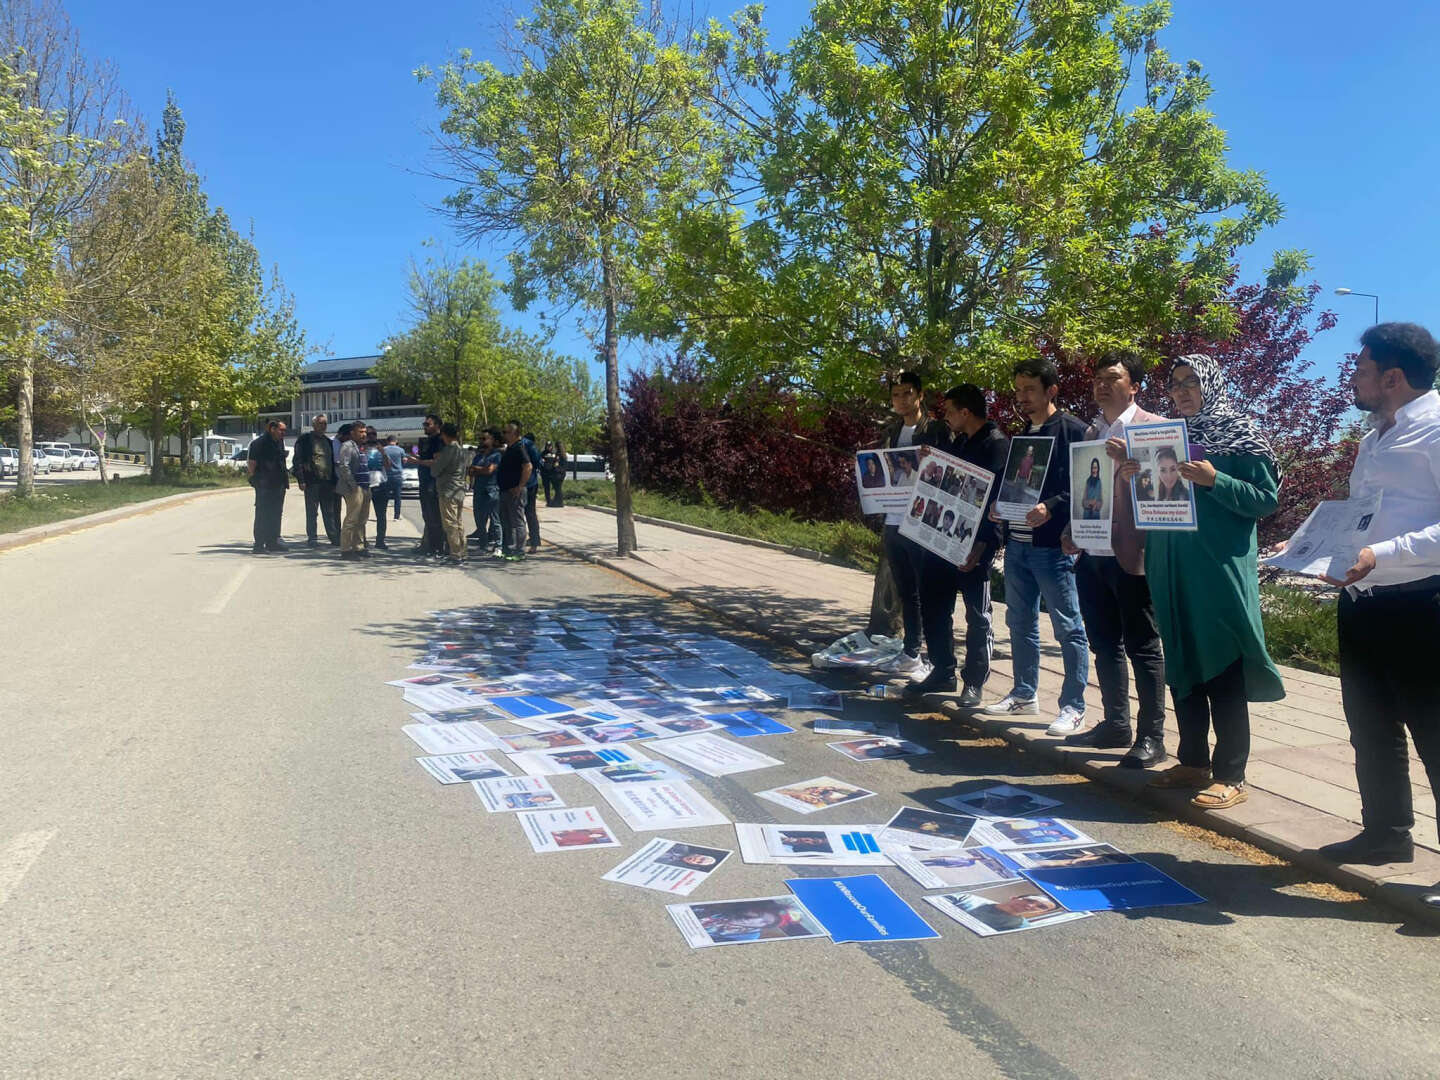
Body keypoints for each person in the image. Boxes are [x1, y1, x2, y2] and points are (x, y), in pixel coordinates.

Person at [1309, 324, 1440, 887]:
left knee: (1434, 733)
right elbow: (1361, 514)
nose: (1353, 377)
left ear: (1392, 376)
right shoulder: (1372, 438)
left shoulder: (1436, 430)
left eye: (1361, 368)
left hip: (1421, 603)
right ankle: (1386, 834)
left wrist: (1379, 553)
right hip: (1363, 601)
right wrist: (1314, 548)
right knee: (1371, 726)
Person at [1134, 353, 1284, 810]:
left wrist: (1216, 479)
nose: (1181, 390)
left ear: (1213, 383)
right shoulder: (1167, 438)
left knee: (1222, 664)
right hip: (1169, 565)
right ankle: (1192, 761)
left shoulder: (1241, 436)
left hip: (1217, 571)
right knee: (1182, 661)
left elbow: (1265, 500)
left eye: (1191, 381)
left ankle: (1231, 773)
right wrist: (1135, 475)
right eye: (1175, 383)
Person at [1060, 351, 1169, 768]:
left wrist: (1133, 468)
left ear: (1135, 385)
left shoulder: (1153, 428)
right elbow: (1086, 494)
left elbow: (1169, 495)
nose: (1102, 385)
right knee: (1104, 644)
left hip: (1134, 557)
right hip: (1093, 556)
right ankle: (1115, 723)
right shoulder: (1091, 431)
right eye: (1097, 379)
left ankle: (1151, 737)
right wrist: (1073, 529)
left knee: (1143, 647)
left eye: (1113, 378)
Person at [982, 358, 1091, 734]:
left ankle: (1074, 706)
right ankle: (1025, 693)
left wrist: (1053, 507)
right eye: (1017, 390)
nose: (1022, 397)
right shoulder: (1024, 434)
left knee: (1068, 627)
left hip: (1052, 548)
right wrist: (1000, 505)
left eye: (1030, 389)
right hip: (1017, 544)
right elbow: (1014, 485)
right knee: (1019, 621)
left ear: (1052, 390)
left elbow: (1086, 488)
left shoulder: (1075, 431)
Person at [906, 383, 1006, 705]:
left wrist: (983, 546)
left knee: (977, 615)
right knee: (934, 604)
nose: (945, 417)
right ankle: (942, 671)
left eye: (949, 411)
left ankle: (973, 682)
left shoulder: (997, 445)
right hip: (940, 542)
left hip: (973, 546)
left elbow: (1001, 503)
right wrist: (930, 461)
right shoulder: (959, 442)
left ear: (965, 412)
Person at [870, 371, 948, 675]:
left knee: (928, 590)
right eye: (896, 394)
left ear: (920, 395)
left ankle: (936, 657)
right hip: (894, 519)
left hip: (921, 521)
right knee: (906, 591)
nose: (901, 400)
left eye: (907, 393)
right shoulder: (892, 431)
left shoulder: (936, 430)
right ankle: (911, 650)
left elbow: (946, 471)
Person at [411, 423, 468, 564]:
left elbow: (435, 470)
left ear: (444, 435)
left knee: (450, 523)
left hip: (448, 490)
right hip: (459, 489)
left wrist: (437, 459)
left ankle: (455, 554)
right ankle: (462, 551)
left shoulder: (449, 450)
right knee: (458, 522)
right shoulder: (461, 450)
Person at [291, 414, 339, 548]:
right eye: (320, 423)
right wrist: (301, 480)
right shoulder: (305, 440)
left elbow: (333, 462)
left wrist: (334, 482)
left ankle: (334, 537)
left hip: (327, 481)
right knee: (312, 511)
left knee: (329, 512)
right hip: (312, 481)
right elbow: (298, 460)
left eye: (325, 423)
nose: (323, 426)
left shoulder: (328, 441)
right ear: (314, 425)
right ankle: (312, 538)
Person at [246, 420, 289, 554]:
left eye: (284, 431)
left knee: (276, 513)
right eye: (281, 430)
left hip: (279, 484)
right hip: (264, 484)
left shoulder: (279, 442)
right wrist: (255, 480)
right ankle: (259, 544)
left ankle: (273, 542)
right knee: (263, 514)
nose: (283, 433)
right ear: (272, 429)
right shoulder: (258, 444)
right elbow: (252, 464)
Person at [334, 422, 372, 559]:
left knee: (362, 519)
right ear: (352, 433)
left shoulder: (361, 447)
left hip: (365, 486)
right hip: (354, 488)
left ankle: (359, 546)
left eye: (365, 432)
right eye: (360, 432)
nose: (364, 434)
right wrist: (353, 485)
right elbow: (344, 466)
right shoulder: (347, 446)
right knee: (351, 519)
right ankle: (345, 549)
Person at [497, 420, 533, 560]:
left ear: (514, 434)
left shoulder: (519, 448)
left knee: (517, 522)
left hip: (514, 491)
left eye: (506, 432)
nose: (504, 434)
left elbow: (528, 466)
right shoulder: (510, 448)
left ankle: (519, 551)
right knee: (507, 522)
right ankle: (510, 549)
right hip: (505, 490)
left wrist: (520, 486)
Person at [411, 414, 445, 557]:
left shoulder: (440, 441)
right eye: (424, 424)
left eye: (428, 424)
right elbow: (424, 458)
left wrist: (417, 462)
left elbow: (436, 462)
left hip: (433, 482)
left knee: (435, 517)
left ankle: (438, 548)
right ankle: (429, 545)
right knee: (427, 516)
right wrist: (415, 458)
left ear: (437, 425)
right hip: (424, 482)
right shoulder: (426, 441)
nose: (424, 427)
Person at [468, 427, 504, 555]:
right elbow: (470, 471)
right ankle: (483, 545)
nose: (482, 441)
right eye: (480, 439)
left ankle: (498, 545)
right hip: (478, 489)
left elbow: (490, 470)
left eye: (484, 438)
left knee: (495, 519)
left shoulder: (496, 455)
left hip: (492, 490)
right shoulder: (478, 456)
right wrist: (480, 469)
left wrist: (478, 469)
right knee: (479, 519)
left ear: (492, 440)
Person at [365, 429, 389, 549]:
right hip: (365, 484)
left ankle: (380, 541)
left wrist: (383, 452)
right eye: (368, 434)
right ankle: (362, 540)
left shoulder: (381, 448)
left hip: (381, 484)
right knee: (362, 515)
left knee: (381, 515)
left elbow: (388, 466)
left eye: (373, 434)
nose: (370, 437)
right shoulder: (361, 449)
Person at [522, 431, 543, 552]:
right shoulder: (530, 446)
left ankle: (530, 541)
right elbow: (538, 463)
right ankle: (534, 541)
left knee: (523, 513)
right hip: (531, 482)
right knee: (530, 513)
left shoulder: (523, 444)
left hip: (524, 483)